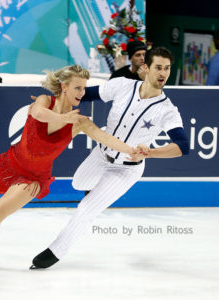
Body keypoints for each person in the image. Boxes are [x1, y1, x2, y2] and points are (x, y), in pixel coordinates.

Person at [0, 65, 141, 267]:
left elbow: (104, 137)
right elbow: (39, 114)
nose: (82, 93)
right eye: (77, 88)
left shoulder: (80, 122)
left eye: (84, 88)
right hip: (11, 163)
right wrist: (65, 118)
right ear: (64, 87)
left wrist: (130, 150)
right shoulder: (45, 100)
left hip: (33, 178)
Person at [31, 47, 190, 269]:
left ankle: (53, 253)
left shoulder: (167, 110)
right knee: (78, 182)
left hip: (127, 169)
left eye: (167, 68)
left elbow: (183, 146)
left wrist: (152, 152)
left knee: (86, 209)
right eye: (158, 67)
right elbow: (85, 94)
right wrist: (58, 98)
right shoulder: (123, 85)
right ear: (145, 68)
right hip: (101, 154)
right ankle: (95, 191)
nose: (163, 73)